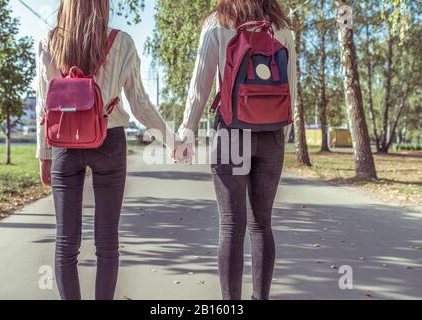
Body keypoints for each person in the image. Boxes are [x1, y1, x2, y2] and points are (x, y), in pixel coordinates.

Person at [36, 0, 178, 300]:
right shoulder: (121, 42)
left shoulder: (49, 42)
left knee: (65, 241)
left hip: (63, 142)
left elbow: (43, 105)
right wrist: (172, 141)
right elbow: (139, 104)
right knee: (107, 241)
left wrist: (44, 155)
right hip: (109, 140)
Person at [175, 0, 297, 300]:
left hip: (231, 130)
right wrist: (282, 134)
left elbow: (200, 85)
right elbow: (292, 86)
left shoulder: (218, 22)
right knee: (262, 225)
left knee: (231, 225)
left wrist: (186, 132)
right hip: (272, 134)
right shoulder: (282, 28)